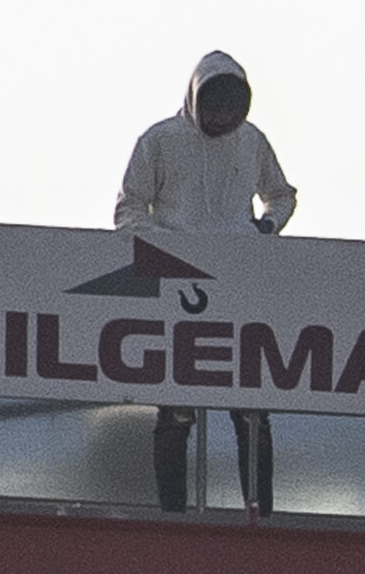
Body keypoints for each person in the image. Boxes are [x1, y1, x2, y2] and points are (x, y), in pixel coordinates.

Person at [114, 50, 299, 515]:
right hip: (177, 291)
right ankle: (171, 514)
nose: (222, 117)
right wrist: (167, 245)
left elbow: (282, 194)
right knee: (176, 407)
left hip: (239, 287)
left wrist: (268, 227)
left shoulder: (252, 141)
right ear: (196, 99)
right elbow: (128, 210)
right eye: (215, 106)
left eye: (232, 109)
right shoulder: (159, 141)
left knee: (251, 405)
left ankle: (262, 513)